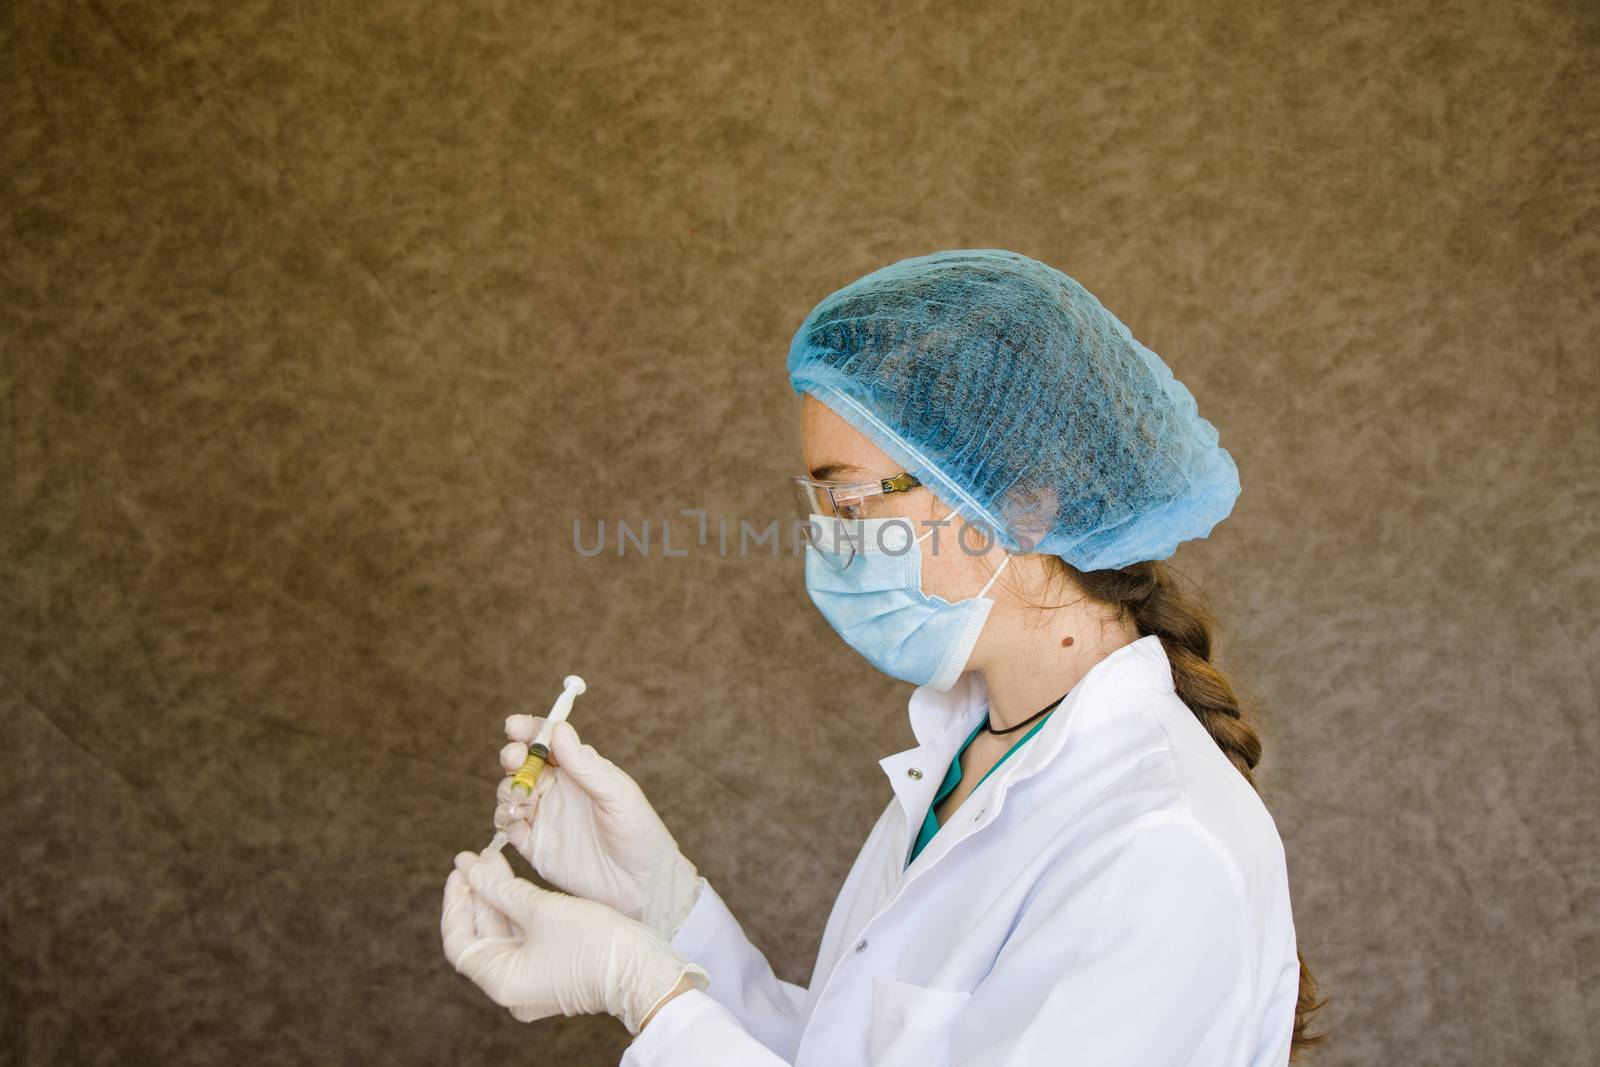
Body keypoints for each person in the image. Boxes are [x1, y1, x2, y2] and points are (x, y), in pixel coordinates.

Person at [440, 249, 1330, 1064]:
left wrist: (653, 996)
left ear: (1018, 508)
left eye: (852, 501)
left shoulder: (1159, 842)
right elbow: (849, 1049)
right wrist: (666, 906)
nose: (827, 543)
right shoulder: (970, 754)